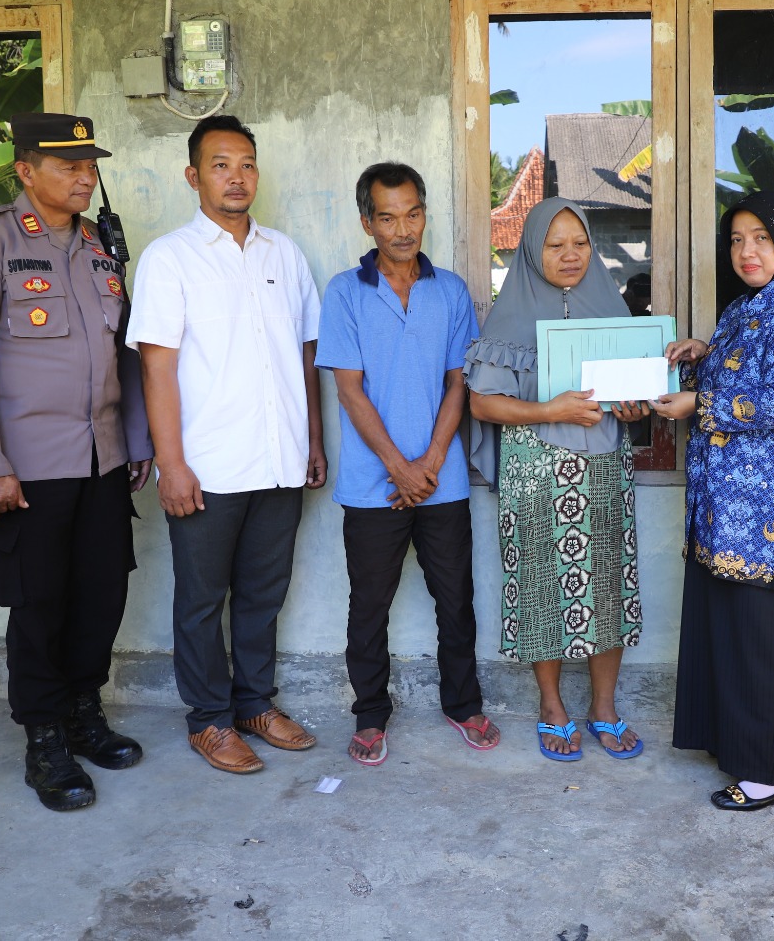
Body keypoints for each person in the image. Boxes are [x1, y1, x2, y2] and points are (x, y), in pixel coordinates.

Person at [0, 113, 154, 813]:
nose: (85, 177)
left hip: (102, 458)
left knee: (101, 593)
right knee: (39, 604)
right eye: (69, 165)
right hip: (28, 466)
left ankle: (83, 711)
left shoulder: (99, 248)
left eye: (90, 164)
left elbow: (125, 356)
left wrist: (136, 441)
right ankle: (43, 737)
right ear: (26, 170)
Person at [127, 114, 326, 776]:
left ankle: (254, 705)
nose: (235, 178)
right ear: (193, 176)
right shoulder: (169, 258)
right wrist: (171, 464)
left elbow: (304, 356)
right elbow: (156, 369)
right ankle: (209, 718)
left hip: (278, 459)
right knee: (201, 601)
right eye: (220, 165)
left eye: (246, 165)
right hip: (207, 466)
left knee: (264, 594)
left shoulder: (284, 254)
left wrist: (311, 439)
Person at [654, 190, 774, 811]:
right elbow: (748, 375)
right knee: (737, 629)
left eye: (761, 238)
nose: (747, 252)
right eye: (737, 240)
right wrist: (703, 356)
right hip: (729, 504)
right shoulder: (747, 306)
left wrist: (699, 402)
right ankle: (745, 745)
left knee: (771, 634)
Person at [315, 162, 499, 765]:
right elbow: (349, 391)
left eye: (413, 213)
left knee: (456, 601)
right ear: (367, 222)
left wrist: (431, 461)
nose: (403, 229)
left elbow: (458, 382)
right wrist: (398, 467)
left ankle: (463, 705)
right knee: (369, 606)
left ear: (424, 215)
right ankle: (370, 715)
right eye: (388, 217)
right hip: (373, 486)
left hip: (441, 481)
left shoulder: (450, 292)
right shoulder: (346, 292)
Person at [465, 197, 648, 761]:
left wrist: (633, 407)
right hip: (537, 470)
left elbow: (633, 395)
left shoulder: (611, 308)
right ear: (531, 249)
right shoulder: (510, 316)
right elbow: (482, 404)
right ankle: (552, 706)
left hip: (604, 468)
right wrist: (551, 410)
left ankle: (604, 708)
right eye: (555, 244)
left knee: (608, 586)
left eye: (581, 243)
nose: (571, 255)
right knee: (543, 588)